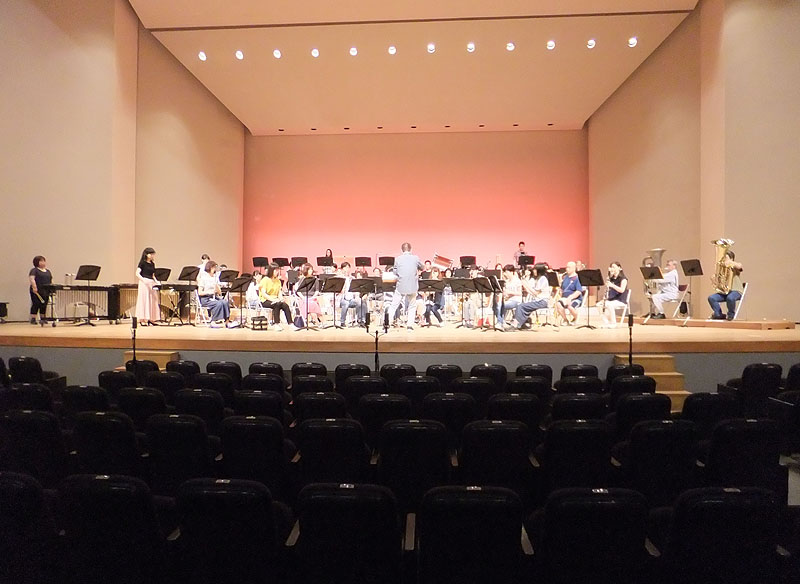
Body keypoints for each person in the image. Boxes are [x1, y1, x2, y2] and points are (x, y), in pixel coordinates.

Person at [386, 242, 423, 330]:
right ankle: (409, 326)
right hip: (412, 286)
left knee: (393, 305)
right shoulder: (415, 258)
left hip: (401, 285)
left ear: (402, 250)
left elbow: (395, 272)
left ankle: (387, 324)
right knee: (412, 306)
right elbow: (422, 267)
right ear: (410, 249)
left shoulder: (398, 259)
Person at [508, 263, 551, 329]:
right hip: (537, 300)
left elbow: (536, 293)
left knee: (521, 306)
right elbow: (531, 292)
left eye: (535, 270)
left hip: (542, 301)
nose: (533, 271)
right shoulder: (537, 279)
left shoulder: (543, 279)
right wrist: (525, 285)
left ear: (539, 270)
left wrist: (526, 284)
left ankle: (516, 324)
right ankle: (522, 324)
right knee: (521, 305)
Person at [198, 261, 237, 327]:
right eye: (214, 267)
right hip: (205, 298)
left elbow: (219, 292)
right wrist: (209, 292)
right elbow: (200, 292)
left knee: (225, 302)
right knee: (219, 303)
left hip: (214, 297)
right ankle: (214, 321)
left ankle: (227, 321)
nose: (215, 269)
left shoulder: (214, 278)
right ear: (210, 268)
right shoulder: (203, 278)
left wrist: (217, 288)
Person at [708, 251, 744, 320]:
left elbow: (740, 266)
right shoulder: (722, 269)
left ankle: (731, 315)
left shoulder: (734, 267)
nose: (724, 260)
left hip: (736, 291)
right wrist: (714, 279)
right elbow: (717, 281)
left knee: (730, 298)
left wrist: (730, 262)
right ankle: (718, 314)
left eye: (725, 258)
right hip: (725, 292)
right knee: (712, 298)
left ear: (731, 258)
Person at [259, 264, 293, 331]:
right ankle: (276, 324)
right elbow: (264, 294)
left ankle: (291, 323)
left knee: (285, 305)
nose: (277, 272)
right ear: (271, 271)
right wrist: (273, 300)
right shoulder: (265, 280)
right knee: (276, 304)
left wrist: (281, 299)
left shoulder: (278, 281)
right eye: (276, 270)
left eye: (278, 270)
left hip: (275, 300)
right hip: (265, 300)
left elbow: (279, 292)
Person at [598, 261, 629, 328]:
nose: (612, 269)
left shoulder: (623, 279)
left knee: (609, 304)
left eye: (614, 267)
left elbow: (622, 290)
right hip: (612, 299)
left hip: (620, 299)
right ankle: (606, 322)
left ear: (619, 268)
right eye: (611, 267)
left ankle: (613, 323)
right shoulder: (611, 279)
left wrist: (612, 285)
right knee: (599, 304)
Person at [135, 247, 160, 326]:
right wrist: (143, 280)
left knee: (153, 300)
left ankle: (151, 318)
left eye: (153, 254)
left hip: (151, 283)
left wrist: (157, 281)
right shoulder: (142, 263)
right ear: (146, 254)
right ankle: (143, 319)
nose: (152, 255)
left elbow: (153, 275)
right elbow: (137, 273)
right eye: (151, 254)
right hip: (144, 283)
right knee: (145, 300)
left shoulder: (152, 264)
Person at [338, 261, 367, 327]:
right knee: (345, 304)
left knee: (360, 302)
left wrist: (357, 297)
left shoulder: (352, 278)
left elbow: (356, 290)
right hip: (342, 298)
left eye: (348, 268)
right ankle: (342, 321)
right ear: (342, 269)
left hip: (351, 299)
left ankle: (361, 320)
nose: (347, 269)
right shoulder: (340, 278)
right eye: (345, 268)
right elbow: (338, 290)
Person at [554, 261, 583, 325]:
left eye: (569, 267)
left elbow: (578, 291)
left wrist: (570, 297)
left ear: (574, 268)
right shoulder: (565, 277)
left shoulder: (577, 278)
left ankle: (576, 318)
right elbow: (562, 289)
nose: (567, 269)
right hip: (565, 298)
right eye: (566, 267)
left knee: (570, 306)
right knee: (558, 304)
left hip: (575, 299)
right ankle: (565, 320)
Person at [496, 264, 522, 329]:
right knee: (498, 305)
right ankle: (501, 322)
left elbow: (520, 293)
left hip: (516, 300)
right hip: (508, 300)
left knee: (501, 305)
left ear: (511, 272)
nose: (505, 274)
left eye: (506, 272)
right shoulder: (507, 281)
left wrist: (510, 293)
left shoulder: (517, 281)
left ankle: (500, 323)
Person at [28, 255, 53, 324]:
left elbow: (51, 280)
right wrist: (34, 287)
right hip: (37, 290)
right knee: (36, 304)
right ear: (37, 262)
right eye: (41, 261)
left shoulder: (48, 271)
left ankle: (43, 318)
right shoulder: (34, 270)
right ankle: (33, 318)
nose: (43, 262)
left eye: (44, 261)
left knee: (44, 304)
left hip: (46, 290)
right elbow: (32, 279)